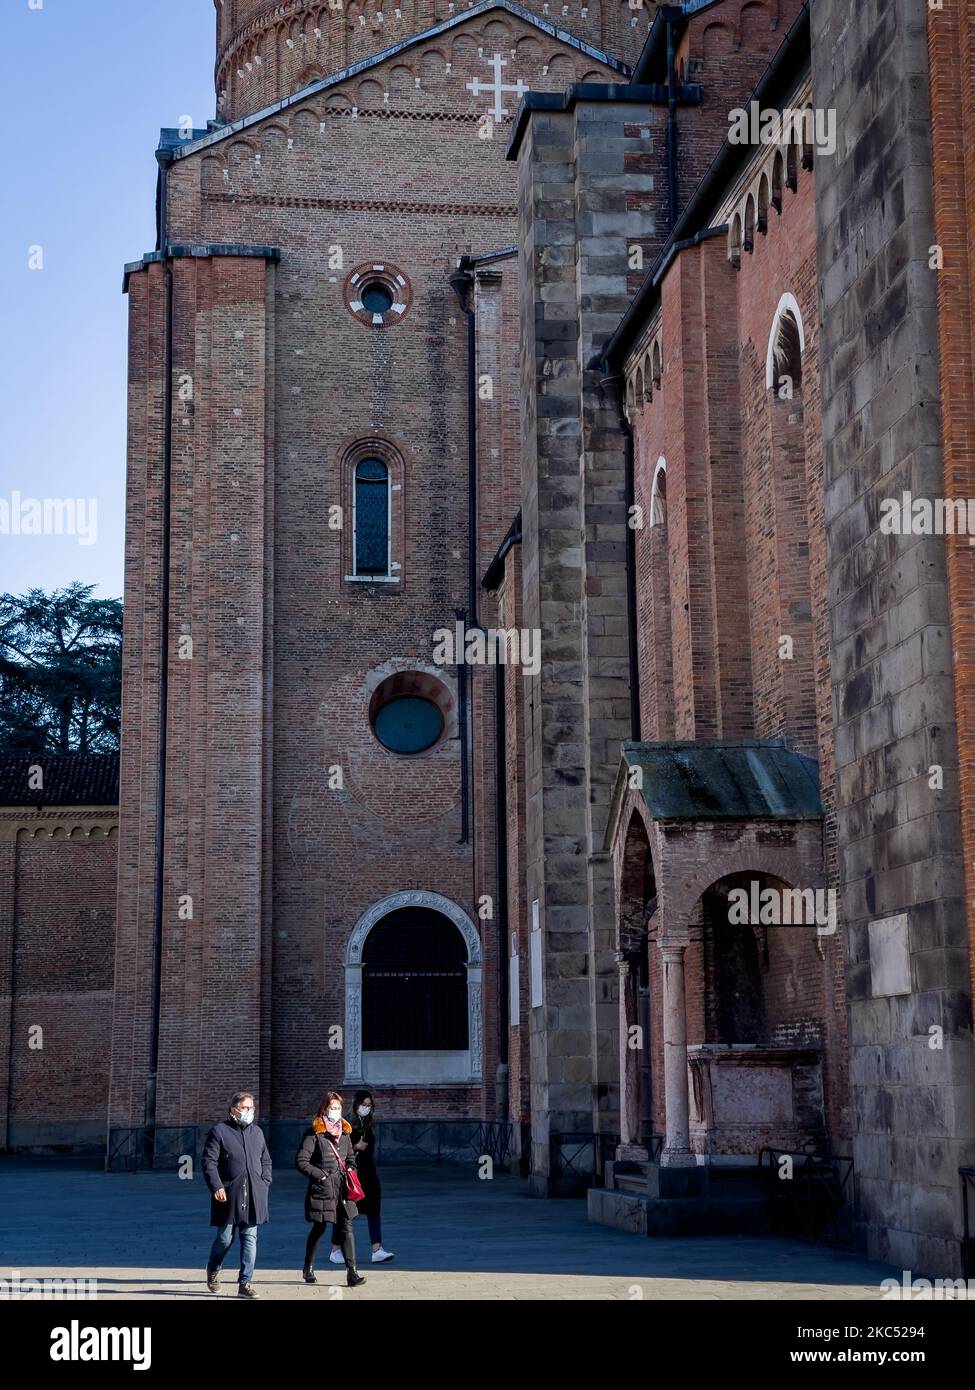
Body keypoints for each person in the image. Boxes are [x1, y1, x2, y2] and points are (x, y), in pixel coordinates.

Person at [202, 1090, 272, 1299]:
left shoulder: (257, 1132)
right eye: (245, 1108)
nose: (249, 1111)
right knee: (225, 1238)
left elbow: (266, 1160)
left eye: (252, 1107)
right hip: (229, 1194)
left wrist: (265, 1181)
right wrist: (216, 1186)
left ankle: (245, 1283)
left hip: (254, 1193)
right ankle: (213, 1268)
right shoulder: (219, 1131)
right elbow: (209, 1162)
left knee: (250, 1238)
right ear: (233, 1110)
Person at [295, 1092, 367, 1287]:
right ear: (324, 1109)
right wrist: (321, 1176)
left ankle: (352, 1272)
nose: (336, 1111)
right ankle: (308, 1267)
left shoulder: (345, 1132)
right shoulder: (314, 1132)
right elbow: (301, 1161)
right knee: (319, 1227)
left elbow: (350, 1158)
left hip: (343, 1188)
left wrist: (351, 1168)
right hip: (323, 1188)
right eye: (332, 1108)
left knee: (347, 1227)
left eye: (338, 1108)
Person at [330, 1089, 393, 1264]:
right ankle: (335, 1249)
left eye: (369, 1105)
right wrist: (356, 1146)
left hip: (369, 1174)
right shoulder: (346, 1124)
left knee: (374, 1210)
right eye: (363, 1104)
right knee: (345, 1213)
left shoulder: (368, 1123)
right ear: (356, 1104)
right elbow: (337, 1148)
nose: (366, 1107)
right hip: (352, 1174)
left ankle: (377, 1249)